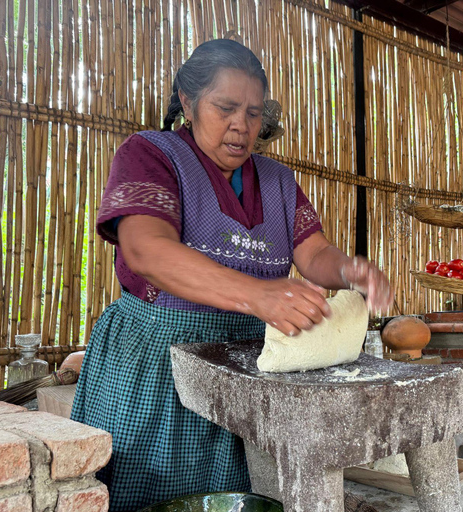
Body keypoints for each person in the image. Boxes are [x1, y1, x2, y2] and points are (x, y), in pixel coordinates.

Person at [71, 38, 393, 512]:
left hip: (250, 367)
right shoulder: (151, 154)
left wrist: (349, 270)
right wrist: (258, 295)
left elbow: (315, 252)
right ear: (187, 100)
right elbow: (145, 248)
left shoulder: (278, 181)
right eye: (225, 107)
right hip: (158, 367)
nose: (241, 126)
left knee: (248, 492)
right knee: (159, 497)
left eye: (255, 113)